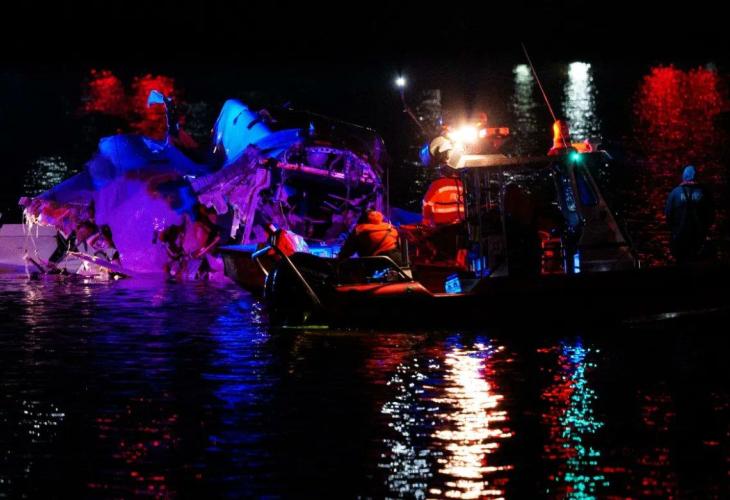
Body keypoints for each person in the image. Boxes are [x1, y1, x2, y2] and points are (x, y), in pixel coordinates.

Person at [665, 165, 714, 264]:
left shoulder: (675, 192)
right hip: (697, 235)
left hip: (680, 234)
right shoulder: (704, 193)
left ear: (683, 176)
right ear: (696, 176)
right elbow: (710, 214)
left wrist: (673, 230)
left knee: (681, 261)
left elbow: (668, 214)